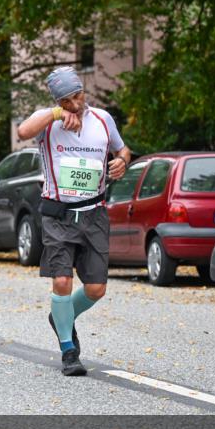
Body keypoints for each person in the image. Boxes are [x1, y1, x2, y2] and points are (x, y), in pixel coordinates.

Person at [16, 66, 131, 376]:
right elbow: (22, 132)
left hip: (94, 213)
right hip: (59, 214)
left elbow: (123, 150)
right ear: (58, 100)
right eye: (67, 99)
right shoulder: (48, 122)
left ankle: (61, 316)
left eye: (79, 95)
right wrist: (55, 112)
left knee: (96, 289)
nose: (76, 103)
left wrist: (121, 161)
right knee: (62, 281)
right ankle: (69, 350)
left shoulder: (103, 120)